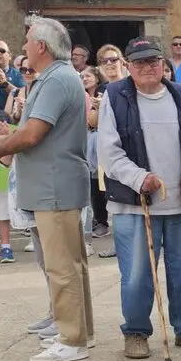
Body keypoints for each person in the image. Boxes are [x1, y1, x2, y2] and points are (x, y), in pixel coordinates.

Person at [98, 37, 181, 360]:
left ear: (163, 64)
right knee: (136, 273)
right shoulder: (114, 97)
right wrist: (140, 179)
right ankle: (135, 332)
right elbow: (108, 149)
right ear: (129, 68)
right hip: (134, 205)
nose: (147, 67)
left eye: (152, 61)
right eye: (139, 63)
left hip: (180, 203)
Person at [0, 17, 94, 361]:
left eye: (26, 42)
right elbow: (29, 130)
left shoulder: (56, 79)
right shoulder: (57, 77)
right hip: (55, 184)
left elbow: (33, 134)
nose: (23, 47)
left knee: (61, 266)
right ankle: (81, 333)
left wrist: (1, 145)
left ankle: (71, 339)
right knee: (72, 264)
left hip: (55, 186)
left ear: (41, 46)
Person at [82, 66, 110, 238]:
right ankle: (97, 219)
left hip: (101, 140)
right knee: (92, 183)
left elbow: (95, 122)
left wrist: (98, 108)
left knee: (101, 181)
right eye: (82, 76)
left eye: (88, 75)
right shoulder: (80, 95)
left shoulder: (104, 92)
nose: (84, 78)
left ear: (97, 77)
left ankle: (102, 221)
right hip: (86, 139)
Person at [0, 38, 24, 119]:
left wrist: (5, 84)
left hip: (6, 122)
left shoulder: (20, 75)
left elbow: (23, 96)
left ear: (10, 56)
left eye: (2, 50)